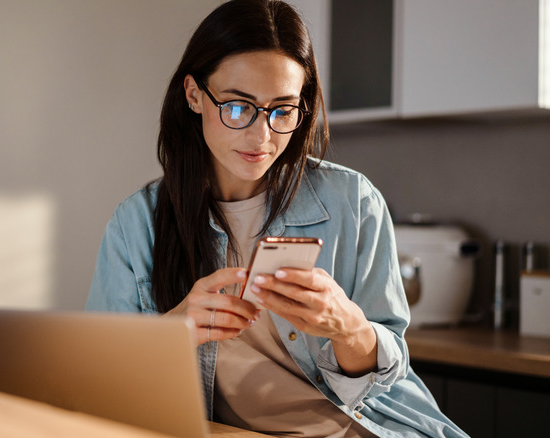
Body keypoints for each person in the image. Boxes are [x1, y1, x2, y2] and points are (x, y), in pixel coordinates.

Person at [86, 1, 467, 437]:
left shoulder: (353, 201)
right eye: (237, 107)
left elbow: (387, 375)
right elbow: (99, 376)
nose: (261, 136)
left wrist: (348, 328)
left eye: (282, 110)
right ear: (194, 95)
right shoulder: (137, 223)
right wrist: (172, 332)